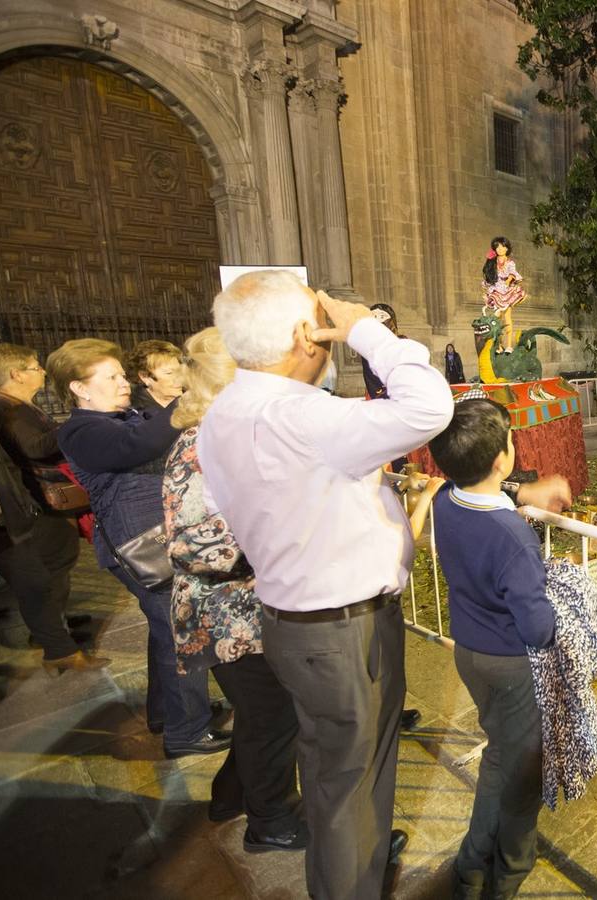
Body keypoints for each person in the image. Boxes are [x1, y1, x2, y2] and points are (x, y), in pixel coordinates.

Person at [200, 270, 571, 899]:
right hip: (341, 629)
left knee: (335, 772)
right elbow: (430, 405)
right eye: (319, 320)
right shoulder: (299, 416)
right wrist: (364, 329)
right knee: (350, 778)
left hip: (296, 618)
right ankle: (351, 875)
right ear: (302, 333)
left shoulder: (226, 413)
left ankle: (359, 860)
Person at [162, 327, 304, 853]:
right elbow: (194, 545)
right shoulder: (201, 444)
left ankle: (229, 797)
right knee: (273, 716)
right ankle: (272, 822)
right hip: (224, 611)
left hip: (243, 607)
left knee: (261, 711)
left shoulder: (224, 434)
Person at [51, 339, 226, 754]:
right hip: (141, 545)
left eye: (121, 374)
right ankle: (187, 732)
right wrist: (193, 395)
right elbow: (138, 447)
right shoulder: (81, 430)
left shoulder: (127, 416)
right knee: (182, 636)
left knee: (165, 633)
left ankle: (167, 715)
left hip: (158, 539)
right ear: (80, 388)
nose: (123, 382)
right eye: (110, 377)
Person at [429, 398, 552, 899]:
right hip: (510, 664)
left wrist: (522, 492)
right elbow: (538, 626)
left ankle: (473, 864)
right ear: (503, 458)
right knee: (520, 769)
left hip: (470, 652)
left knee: (501, 756)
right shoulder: (513, 536)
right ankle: (506, 867)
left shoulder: (445, 501)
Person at [0, 343, 93, 663]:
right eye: (35, 367)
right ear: (16, 373)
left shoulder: (15, 405)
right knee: (52, 567)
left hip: (41, 499)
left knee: (58, 564)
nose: (42, 372)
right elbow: (35, 448)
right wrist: (76, 422)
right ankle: (53, 633)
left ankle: (57, 623)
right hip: (39, 502)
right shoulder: (7, 408)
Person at [481, 237, 526, 353]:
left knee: (507, 318)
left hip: (506, 291)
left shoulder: (510, 262)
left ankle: (509, 345)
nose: (500, 249)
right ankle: (499, 346)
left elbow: (511, 273)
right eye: (497, 247)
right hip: (496, 290)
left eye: (503, 246)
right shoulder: (493, 262)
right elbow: (488, 277)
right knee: (497, 320)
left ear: (507, 248)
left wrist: (507, 282)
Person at [125, 340, 185, 414]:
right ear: (145, 377)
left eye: (179, 371)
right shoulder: (133, 411)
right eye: (169, 373)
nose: (180, 379)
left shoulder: (193, 401)